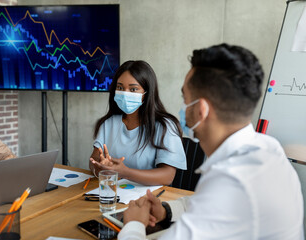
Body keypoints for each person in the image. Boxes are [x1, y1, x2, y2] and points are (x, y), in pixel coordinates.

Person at [118, 44, 304, 239]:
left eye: (185, 98)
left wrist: (133, 224)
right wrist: (166, 211)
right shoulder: (268, 148)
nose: (182, 108)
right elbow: (203, 201)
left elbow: (218, 198)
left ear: (201, 110)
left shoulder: (232, 180)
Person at [89, 60, 186, 186]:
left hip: (149, 199)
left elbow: (167, 176)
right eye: (120, 88)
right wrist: (99, 168)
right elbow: (93, 161)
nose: (125, 94)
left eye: (133, 89)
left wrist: (125, 172)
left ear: (147, 93)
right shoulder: (108, 123)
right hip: (114, 194)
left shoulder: (165, 126)